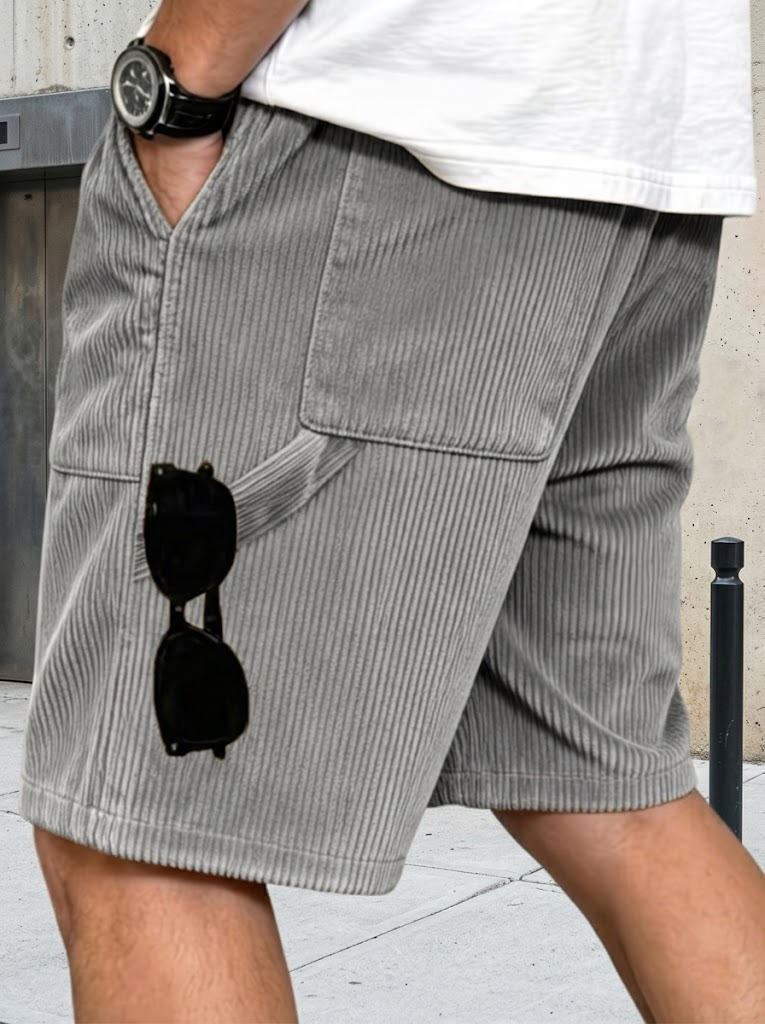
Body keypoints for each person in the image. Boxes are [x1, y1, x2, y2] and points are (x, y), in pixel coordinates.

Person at [17, 0, 765, 1020]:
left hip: (382, 128)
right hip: (635, 161)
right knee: (603, 789)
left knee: (141, 826)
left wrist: (176, 84)